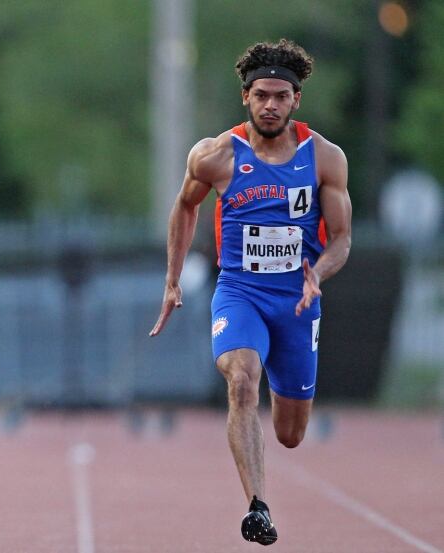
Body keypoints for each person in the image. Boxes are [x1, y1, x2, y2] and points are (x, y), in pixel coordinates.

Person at [150, 39, 351, 545]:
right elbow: (185, 206)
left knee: (290, 434)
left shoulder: (324, 158)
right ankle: (258, 506)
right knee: (241, 380)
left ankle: (281, 426)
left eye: (281, 96)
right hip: (239, 291)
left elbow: (343, 237)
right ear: (246, 96)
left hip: (297, 301)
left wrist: (318, 272)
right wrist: (173, 279)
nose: (270, 105)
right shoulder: (216, 155)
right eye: (261, 94)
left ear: (296, 100)